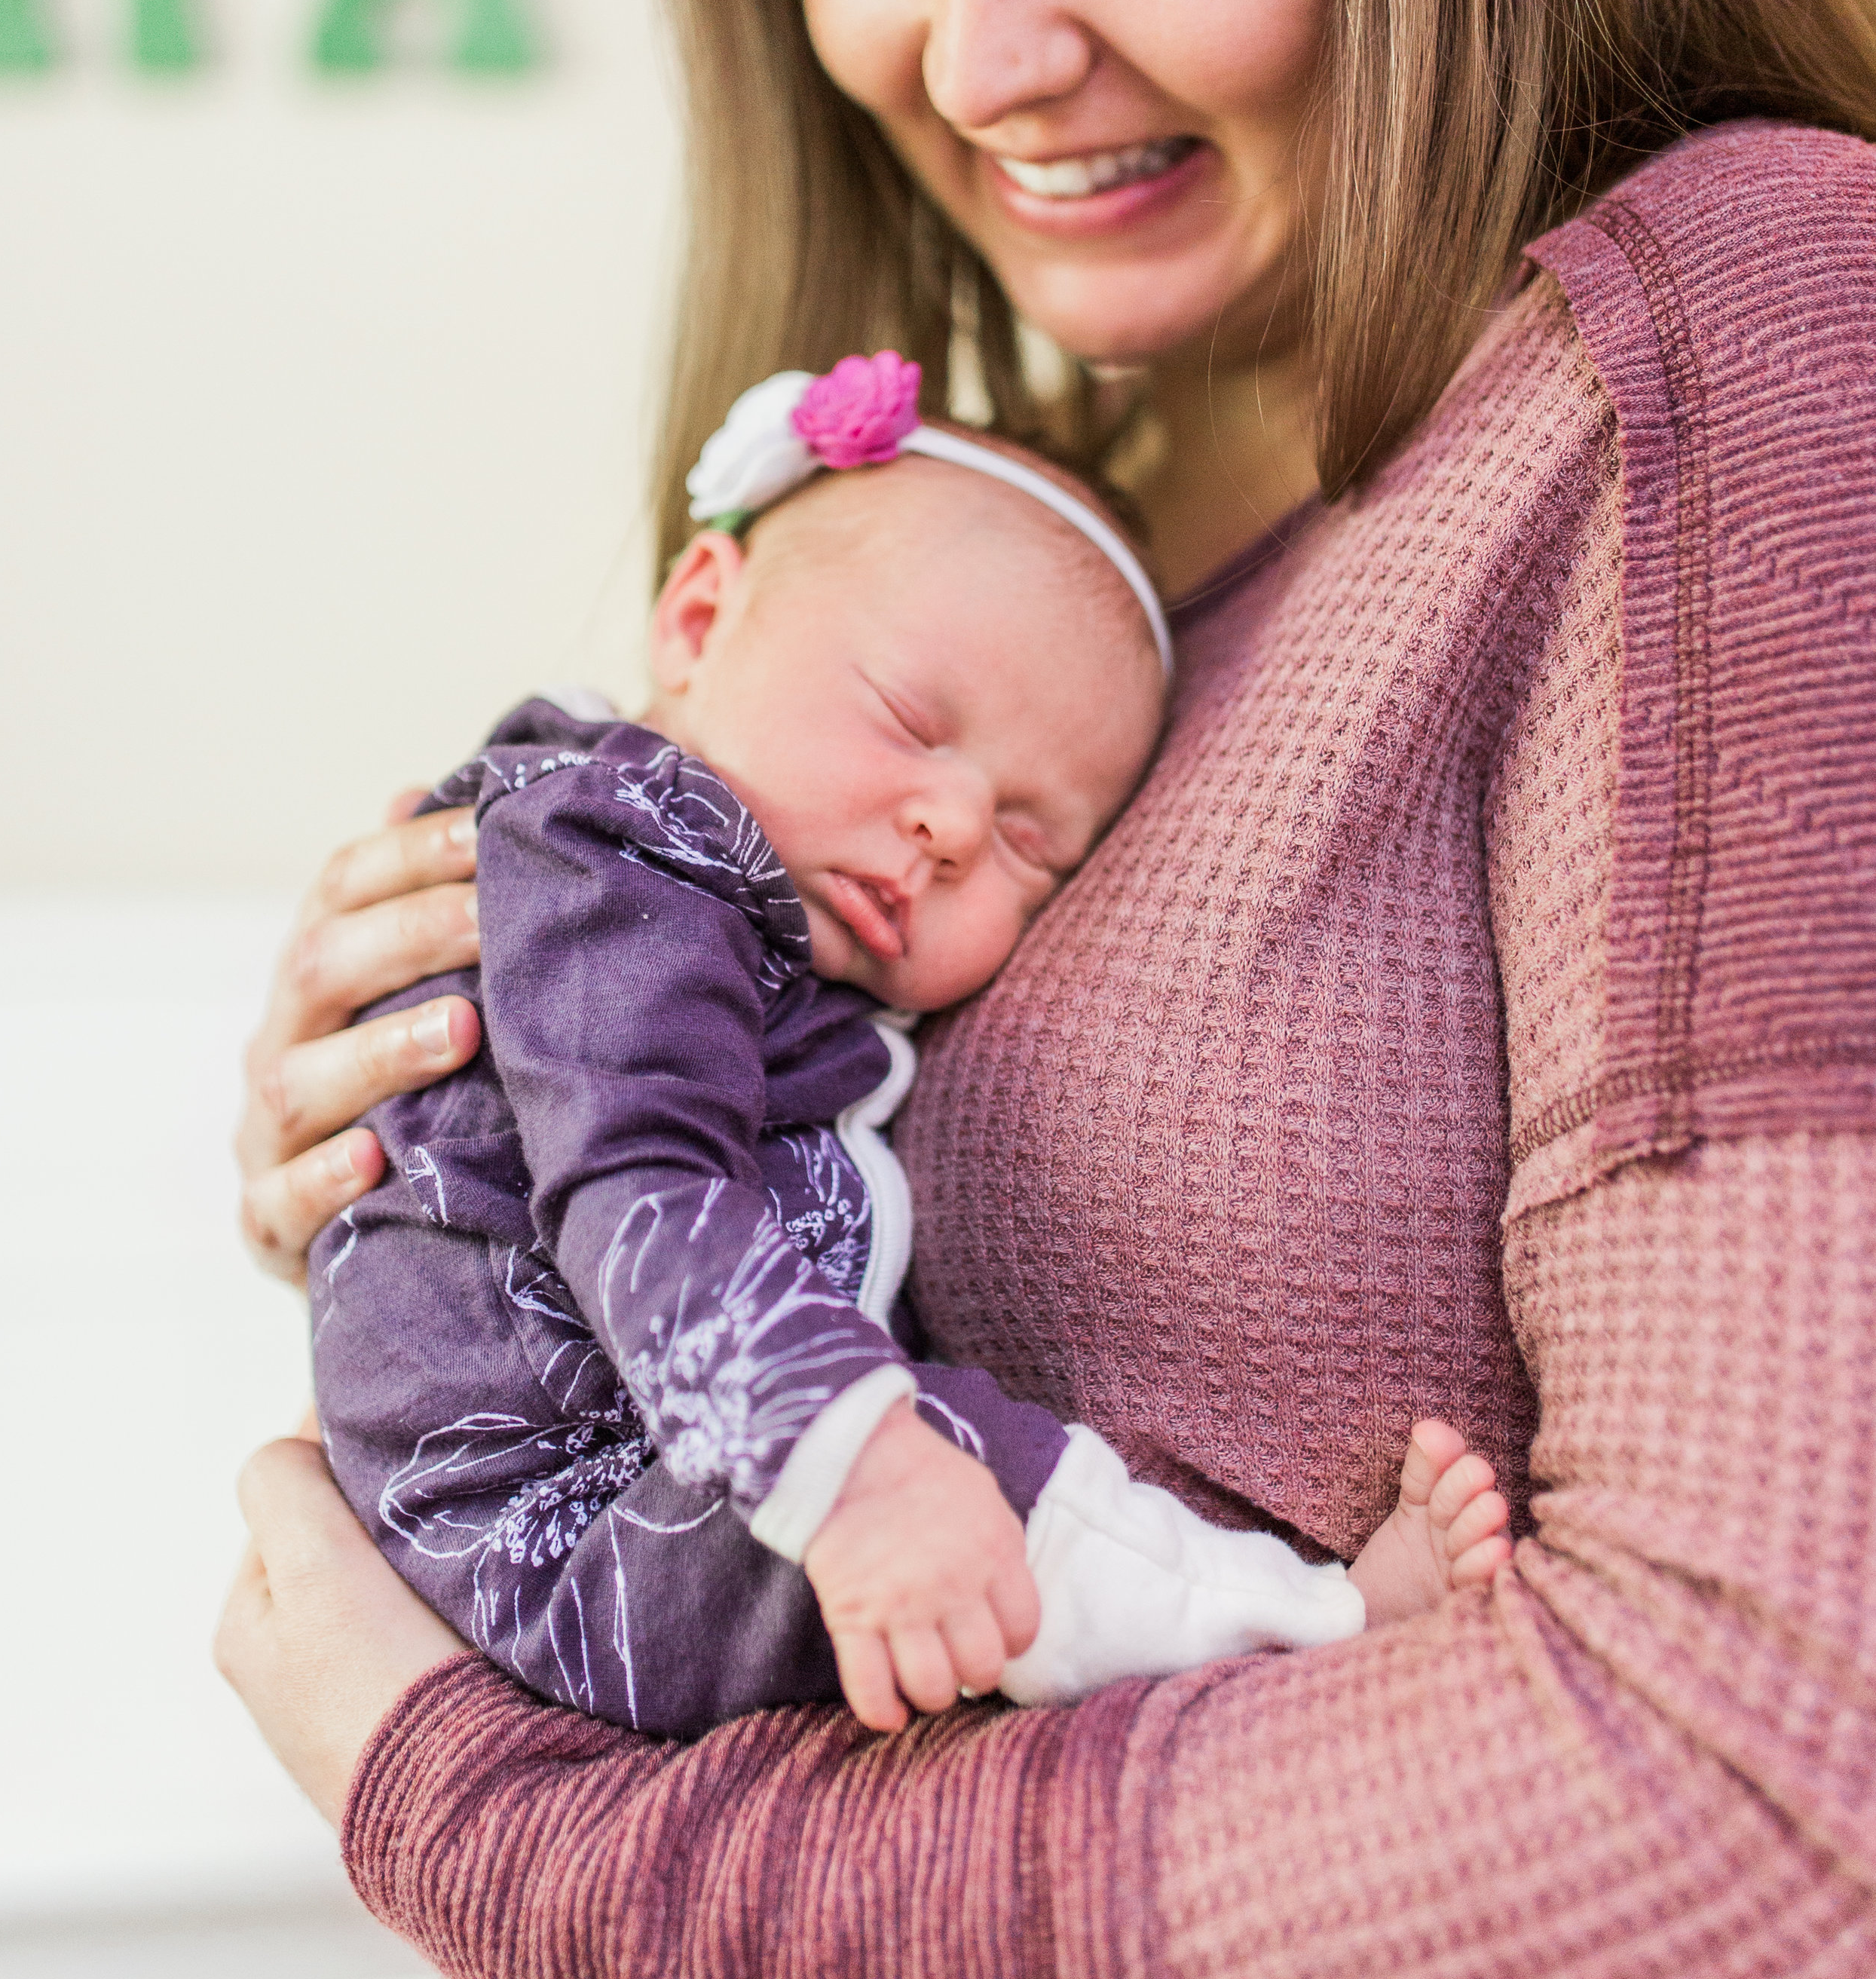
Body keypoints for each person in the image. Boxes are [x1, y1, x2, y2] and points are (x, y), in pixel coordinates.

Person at [218, 0, 1876, 1979]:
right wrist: (466, 1121)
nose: (978, 48)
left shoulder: (1744, 357)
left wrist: (502, 1830)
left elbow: (1764, 1839)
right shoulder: (1049, 553)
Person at [314, 357, 1510, 1740]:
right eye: (909, 722)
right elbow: (634, 1179)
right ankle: (1327, 1635)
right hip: (562, 1511)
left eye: (1028, 842)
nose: (946, 823)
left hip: (626, 1479)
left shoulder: (723, 903)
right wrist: (856, 1460)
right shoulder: (625, 846)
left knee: (968, 1490)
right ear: (699, 618)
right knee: (964, 1481)